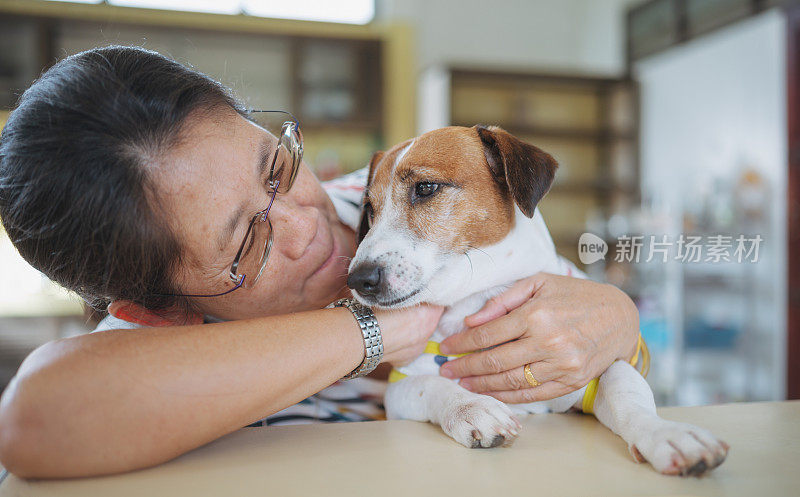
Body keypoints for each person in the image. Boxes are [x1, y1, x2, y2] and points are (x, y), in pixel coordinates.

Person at [0, 46, 639, 479]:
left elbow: (587, 352)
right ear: (158, 310)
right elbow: (34, 418)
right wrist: (372, 331)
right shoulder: (156, 362)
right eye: (246, 240)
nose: (309, 222)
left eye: (276, 166)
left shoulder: (393, 190)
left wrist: (617, 322)